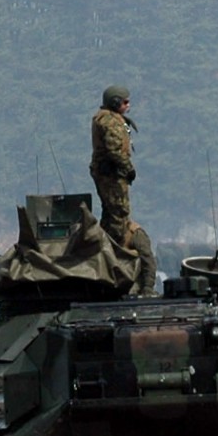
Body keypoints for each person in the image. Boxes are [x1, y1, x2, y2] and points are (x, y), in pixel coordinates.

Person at [88, 84, 157, 292]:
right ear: (116, 102)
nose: (128, 105)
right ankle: (116, 246)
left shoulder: (108, 118)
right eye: (125, 102)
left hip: (111, 174)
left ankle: (113, 242)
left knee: (114, 213)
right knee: (118, 212)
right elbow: (114, 149)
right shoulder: (109, 121)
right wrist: (127, 168)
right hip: (112, 175)